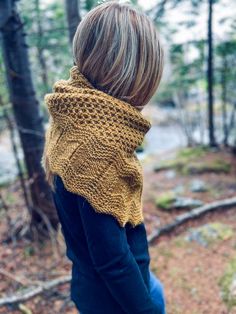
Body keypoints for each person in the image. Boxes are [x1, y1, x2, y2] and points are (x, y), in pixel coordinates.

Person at [41, 1, 165, 313]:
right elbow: (113, 261)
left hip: (89, 285)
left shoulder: (69, 116)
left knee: (157, 287)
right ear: (135, 73)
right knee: (156, 295)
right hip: (115, 302)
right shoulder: (99, 146)